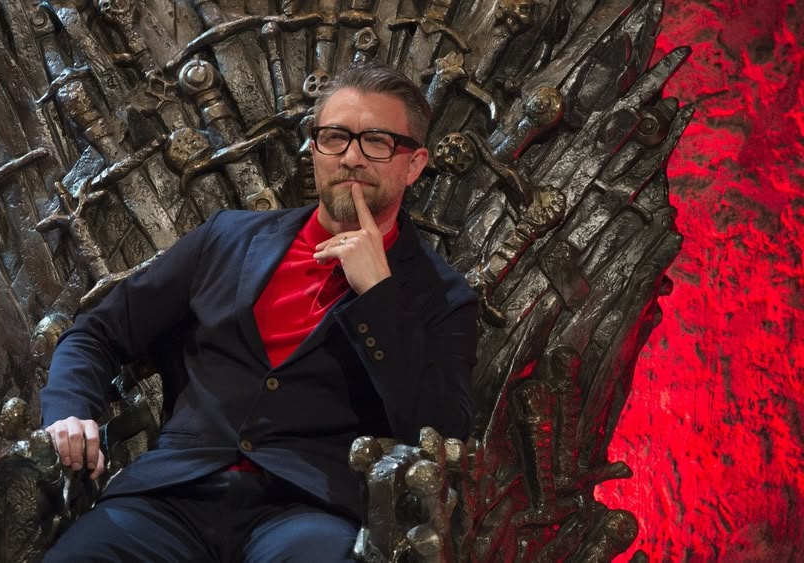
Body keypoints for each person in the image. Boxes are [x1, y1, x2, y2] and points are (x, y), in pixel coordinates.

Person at [39, 61, 479, 562]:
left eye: (376, 142)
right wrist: (70, 409)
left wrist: (379, 295)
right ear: (314, 147)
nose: (351, 157)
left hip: (307, 512)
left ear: (414, 164)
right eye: (335, 137)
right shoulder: (227, 238)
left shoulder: (442, 297)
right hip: (171, 495)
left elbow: (440, 430)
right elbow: (97, 332)